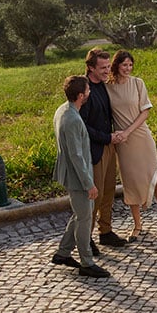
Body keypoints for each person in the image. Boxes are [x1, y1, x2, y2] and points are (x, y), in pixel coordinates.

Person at [106, 50, 157, 240]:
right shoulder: (107, 88)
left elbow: (145, 112)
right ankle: (137, 225)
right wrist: (116, 135)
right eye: (124, 65)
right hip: (122, 142)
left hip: (140, 136)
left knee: (154, 175)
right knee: (129, 181)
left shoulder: (138, 83)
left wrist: (127, 132)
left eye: (130, 65)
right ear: (116, 66)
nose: (128, 68)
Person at [51, 75, 110, 278]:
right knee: (85, 218)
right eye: (87, 90)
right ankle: (86, 262)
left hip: (71, 174)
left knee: (79, 214)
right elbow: (76, 156)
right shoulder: (73, 120)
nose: (90, 92)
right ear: (80, 96)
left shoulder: (63, 110)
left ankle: (63, 253)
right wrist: (89, 184)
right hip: (78, 178)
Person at [80, 48, 127, 250]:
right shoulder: (84, 90)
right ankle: (86, 238)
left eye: (108, 67)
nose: (107, 71)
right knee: (95, 196)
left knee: (109, 191)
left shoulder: (104, 86)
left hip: (109, 146)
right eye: (103, 68)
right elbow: (81, 125)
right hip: (94, 150)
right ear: (90, 68)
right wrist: (107, 137)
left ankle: (105, 232)